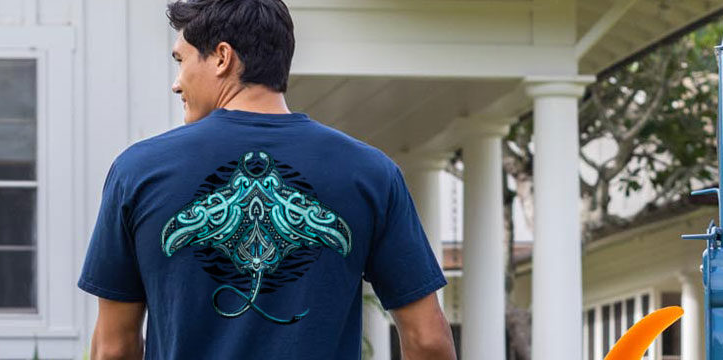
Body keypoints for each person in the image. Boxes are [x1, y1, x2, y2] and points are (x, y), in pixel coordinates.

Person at [78, 0, 455, 358]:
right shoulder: (370, 172)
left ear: (223, 58)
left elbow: (115, 349)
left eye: (182, 60)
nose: (177, 83)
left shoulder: (140, 171)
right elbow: (427, 341)